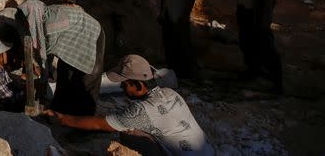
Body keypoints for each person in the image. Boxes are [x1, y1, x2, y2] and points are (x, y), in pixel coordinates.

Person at [42, 55, 214, 156]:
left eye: (124, 84)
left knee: (128, 134)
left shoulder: (142, 112)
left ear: (139, 85)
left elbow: (99, 123)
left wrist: (62, 119)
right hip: (208, 152)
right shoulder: (170, 93)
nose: (121, 87)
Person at [18, 0, 105, 115]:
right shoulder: (43, 14)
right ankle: (60, 111)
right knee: (64, 72)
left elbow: (44, 55)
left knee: (88, 76)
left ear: (33, 13)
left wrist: (40, 74)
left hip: (92, 33)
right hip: (74, 35)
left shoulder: (51, 23)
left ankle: (83, 119)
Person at [232, 0, 282, 93]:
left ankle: (277, 81)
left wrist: (264, 21)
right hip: (244, 12)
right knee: (246, 44)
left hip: (257, 15)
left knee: (266, 47)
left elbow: (268, 1)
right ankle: (253, 69)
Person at [158, 0, 197, 78]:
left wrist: (185, 16)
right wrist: (161, 13)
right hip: (167, 16)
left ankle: (186, 72)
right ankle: (172, 70)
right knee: (168, 44)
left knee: (182, 44)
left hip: (179, 17)